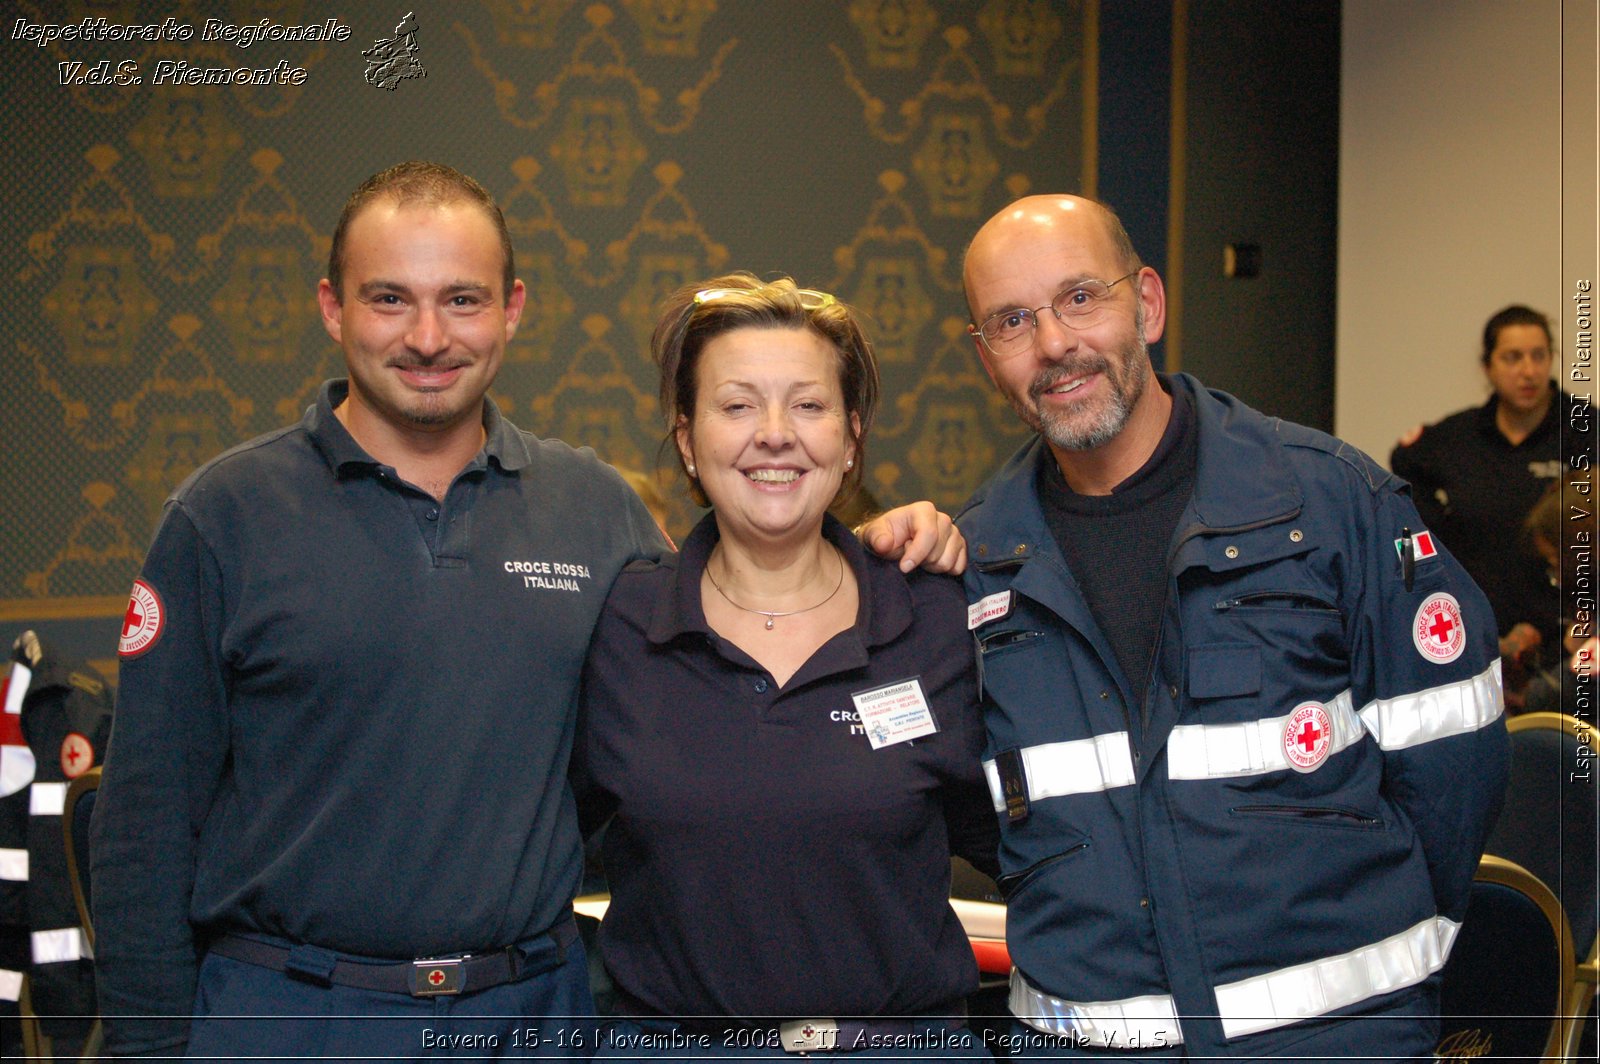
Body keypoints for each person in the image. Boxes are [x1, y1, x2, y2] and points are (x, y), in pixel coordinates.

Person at [90, 163, 962, 1059]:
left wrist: (879, 540)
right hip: (294, 1012)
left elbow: (737, 628)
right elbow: (146, 826)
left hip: (532, 1014)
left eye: (462, 300)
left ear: (510, 311)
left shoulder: (596, 513)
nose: (429, 336)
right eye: (390, 298)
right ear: (331, 307)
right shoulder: (224, 516)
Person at [956, 195, 1507, 1059]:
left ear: (1147, 304)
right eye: (1012, 320)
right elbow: (978, 813)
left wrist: (1393, 967)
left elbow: (1455, 758)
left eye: (1079, 298)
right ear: (986, 355)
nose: (1054, 343)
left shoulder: (1332, 504)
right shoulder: (976, 558)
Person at [574, 274, 999, 1058]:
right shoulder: (617, 624)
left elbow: (1033, 850)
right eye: (737, 406)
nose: (775, 434)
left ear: (851, 436)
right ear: (685, 438)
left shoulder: (939, 617)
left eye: (808, 405)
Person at [1390, 306, 1586, 694]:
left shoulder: (1586, 433)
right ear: (1487, 367)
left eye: (1539, 355)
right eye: (1513, 358)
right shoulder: (1452, 441)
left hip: (1569, 651)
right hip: (1473, 643)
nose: (1528, 371)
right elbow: (1405, 509)